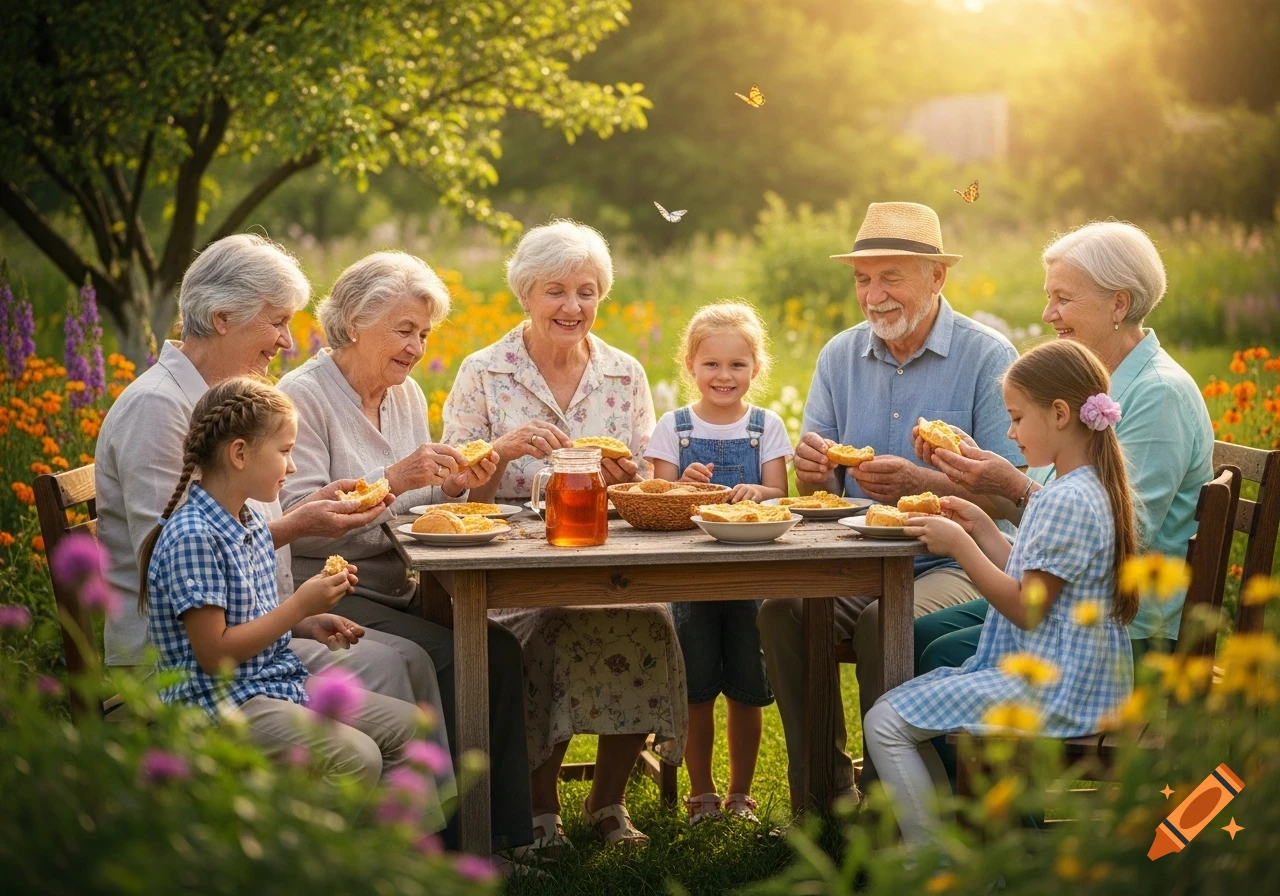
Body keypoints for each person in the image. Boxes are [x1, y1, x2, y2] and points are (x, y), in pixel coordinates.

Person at [755, 201, 1023, 807]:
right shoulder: (839, 356)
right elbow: (816, 496)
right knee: (781, 611)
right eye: (862, 279)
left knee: (885, 623)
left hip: (958, 563)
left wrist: (921, 482)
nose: (873, 296)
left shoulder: (988, 358)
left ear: (937, 278)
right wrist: (812, 470)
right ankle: (823, 796)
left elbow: (1013, 498)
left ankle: (889, 805)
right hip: (857, 557)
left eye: (891, 277)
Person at [97, 233, 437, 708]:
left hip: (256, 632)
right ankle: (378, 775)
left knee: (407, 663)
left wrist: (305, 526)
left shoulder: (224, 400)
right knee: (396, 666)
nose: (288, 340)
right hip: (181, 663)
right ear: (222, 318)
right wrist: (298, 525)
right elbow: (173, 559)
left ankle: (423, 781)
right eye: (276, 321)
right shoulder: (159, 407)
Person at [277, 251, 534, 861]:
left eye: (423, 333)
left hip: (401, 581)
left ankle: (506, 834)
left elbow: (410, 498)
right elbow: (297, 526)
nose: (417, 346)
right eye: (403, 330)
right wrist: (395, 476)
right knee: (448, 656)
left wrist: (448, 485)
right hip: (330, 590)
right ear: (352, 323)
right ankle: (444, 841)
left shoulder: (405, 394)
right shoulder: (301, 398)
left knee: (497, 648)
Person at [443, 219, 687, 849]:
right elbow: (454, 494)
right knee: (547, 627)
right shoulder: (484, 371)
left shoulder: (624, 373)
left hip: (605, 558)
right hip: (511, 567)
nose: (573, 306)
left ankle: (606, 803)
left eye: (586, 290)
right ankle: (539, 807)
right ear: (525, 295)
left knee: (651, 623)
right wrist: (495, 453)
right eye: (556, 291)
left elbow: (646, 485)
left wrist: (626, 477)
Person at [911, 221, 1215, 678]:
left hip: (1116, 627)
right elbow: (1055, 505)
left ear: (1120, 303)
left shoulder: (1158, 393)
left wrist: (1011, 486)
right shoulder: (1089, 386)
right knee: (916, 633)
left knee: (942, 653)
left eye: (1063, 298)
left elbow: (1122, 534)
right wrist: (978, 471)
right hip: (1061, 598)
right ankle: (905, 746)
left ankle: (923, 743)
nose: (1048, 313)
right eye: (1049, 296)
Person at [865, 339, 1136, 847]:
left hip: (1058, 690)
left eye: (1015, 418)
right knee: (895, 717)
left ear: (1059, 414)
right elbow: (1039, 579)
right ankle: (953, 846)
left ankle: (935, 861)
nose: (1009, 433)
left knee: (884, 722)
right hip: (1072, 677)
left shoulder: (1066, 498)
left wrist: (961, 547)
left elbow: (1028, 609)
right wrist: (983, 527)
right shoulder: (1074, 486)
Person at [139, 377, 440, 822]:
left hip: (267, 682)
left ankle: (397, 862)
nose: (293, 466)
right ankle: (304, 866)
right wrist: (299, 606)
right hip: (218, 704)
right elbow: (215, 654)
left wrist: (307, 624)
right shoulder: (194, 536)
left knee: (411, 726)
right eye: (284, 451)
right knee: (358, 757)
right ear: (239, 454)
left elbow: (249, 616)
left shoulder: (245, 522)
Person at [646, 302, 790, 826]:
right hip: (693, 576)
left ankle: (740, 793)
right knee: (698, 686)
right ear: (690, 365)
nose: (724, 376)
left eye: (737, 365)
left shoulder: (765, 426)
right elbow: (657, 496)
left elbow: (780, 494)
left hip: (753, 576)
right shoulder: (674, 427)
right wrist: (683, 486)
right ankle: (701, 791)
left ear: (756, 368)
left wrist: (761, 490)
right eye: (712, 364)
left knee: (747, 689)